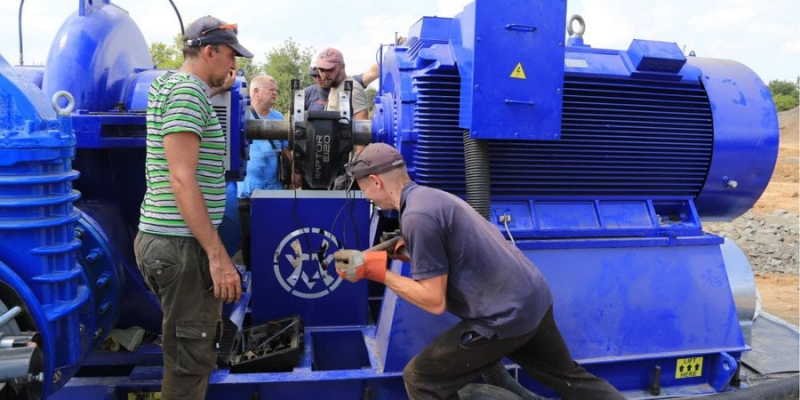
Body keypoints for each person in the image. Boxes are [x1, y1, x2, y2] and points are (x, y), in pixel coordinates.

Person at [333, 143, 626, 400]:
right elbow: (410, 244)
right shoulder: (428, 197)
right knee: (570, 378)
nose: (365, 195)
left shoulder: (417, 216)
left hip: (504, 317)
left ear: (375, 181)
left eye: (362, 187)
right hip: (533, 300)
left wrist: (377, 273)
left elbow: (434, 301)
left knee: (421, 378)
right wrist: (368, 255)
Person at [134, 15, 250, 400]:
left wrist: (217, 90)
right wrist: (217, 256)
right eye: (229, 55)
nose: (234, 64)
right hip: (182, 246)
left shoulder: (171, 84)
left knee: (190, 348)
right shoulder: (187, 93)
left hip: (168, 241)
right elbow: (182, 179)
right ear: (209, 50)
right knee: (189, 362)